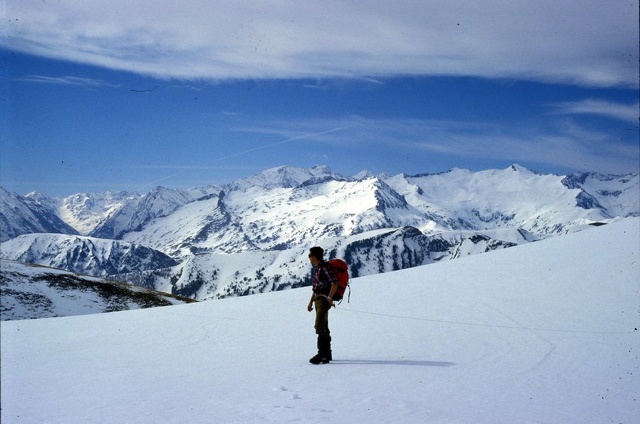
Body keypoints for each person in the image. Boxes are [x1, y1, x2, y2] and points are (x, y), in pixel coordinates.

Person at [306, 246, 339, 364]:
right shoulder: (318, 268)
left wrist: (329, 298)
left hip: (324, 300)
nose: (309, 258)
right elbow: (316, 288)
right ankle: (327, 354)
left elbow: (335, 282)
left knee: (319, 325)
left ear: (315, 256)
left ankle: (322, 354)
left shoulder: (325, 267)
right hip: (318, 299)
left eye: (310, 255)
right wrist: (311, 302)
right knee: (324, 325)